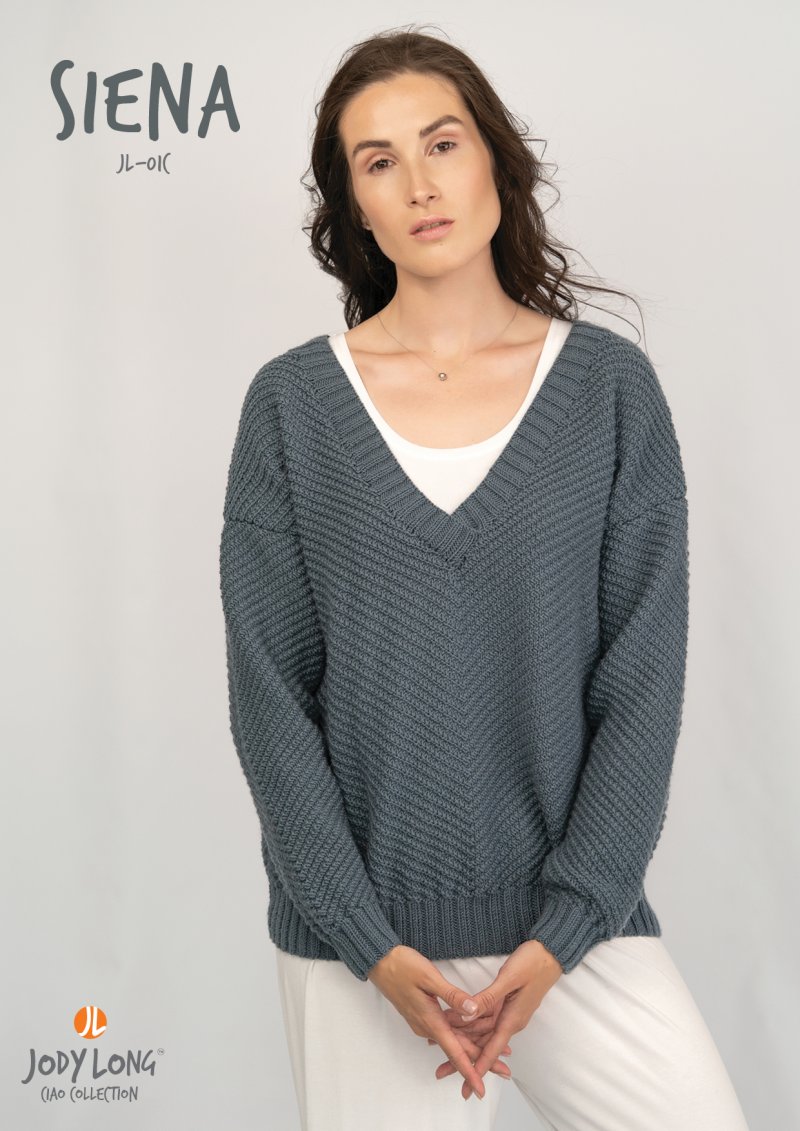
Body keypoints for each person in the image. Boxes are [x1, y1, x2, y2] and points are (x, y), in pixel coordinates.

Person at [218, 25, 751, 1131]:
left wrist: (566, 928)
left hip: (568, 932)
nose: (419, 184)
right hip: (364, 950)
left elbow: (640, 688)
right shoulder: (290, 409)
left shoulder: (610, 394)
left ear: (495, 162)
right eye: (378, 161)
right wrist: (368, 945)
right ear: (354, 208)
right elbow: (271, 702)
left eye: (442, 143)